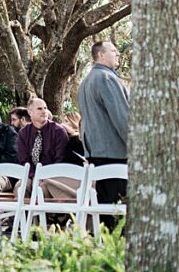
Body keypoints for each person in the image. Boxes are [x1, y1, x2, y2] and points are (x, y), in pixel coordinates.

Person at [77, 40, 128, 221]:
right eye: (114, 51)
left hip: (95, 152)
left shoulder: (85, 82)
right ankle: (118, 247)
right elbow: (122, 118)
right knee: (118, 209)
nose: (118, 54)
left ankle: (106, 246)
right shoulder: (107, 79)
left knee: (105, 206)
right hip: (115, 153)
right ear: (100, 55)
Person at [15, 98, 72, 200]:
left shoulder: (58, 131)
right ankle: (24, 216)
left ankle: (48, 216)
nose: (44, 111)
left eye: (45, 108)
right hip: (31, 174)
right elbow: (24, 160)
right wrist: (34, 176)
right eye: (39, 109)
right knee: (20, 187)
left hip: (53, 175)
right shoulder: (23, 133)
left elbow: (60, 159)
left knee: (42, 188)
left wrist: (44, 176)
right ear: (30, 112)